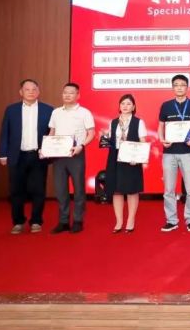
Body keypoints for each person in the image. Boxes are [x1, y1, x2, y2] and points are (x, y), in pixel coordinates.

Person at [0, 79, 53, 234]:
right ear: (21, 92)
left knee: (38, 190)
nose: (31, 92)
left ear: (38, 92)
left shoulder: (48, 110)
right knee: (16, 190)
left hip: (38, 156)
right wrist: (2, 153)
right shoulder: (11, 110)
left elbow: (53, 133)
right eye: (27, 89)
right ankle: (18, 222)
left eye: (34, 89)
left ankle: (36, 221)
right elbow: (5, 133)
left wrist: (51, 151)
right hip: (17, 155)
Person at [45, 82, 95, 234]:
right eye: (65, 92)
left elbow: (91, 133)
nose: (67, 95)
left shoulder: (84, 112)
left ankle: (78, 220)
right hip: (58, 154)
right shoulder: (56, 112)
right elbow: (52, 132)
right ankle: (63, 221)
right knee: (60, 189)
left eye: (71, 93)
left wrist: (81, 146)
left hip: (76, 153)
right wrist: (46, 147)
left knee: (79, 189)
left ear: (78, 95)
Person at [158, 74, 190, 232]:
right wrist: (162, 139)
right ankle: (171, 220)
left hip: (188, 152)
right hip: (169, 152)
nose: (179, 87)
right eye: (176, 85)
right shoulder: (166, 106)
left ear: (187, 87)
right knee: (169, 189)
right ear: (173, 87)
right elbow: (160, 126)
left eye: (182, 85)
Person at [103, 94, 147, 233]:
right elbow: (110, 141)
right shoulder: (113, 122)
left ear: (133, 107)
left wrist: (138, 158)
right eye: (123, 103)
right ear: (119, 106)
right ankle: (119, 221)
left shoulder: (138, 122)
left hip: (132, 158)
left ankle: (130, 220)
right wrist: (104, 138)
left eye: (128, 104)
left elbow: (143, 142)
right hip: (115, 158)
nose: (125, 106)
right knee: (116, 190)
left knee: (132, 190)